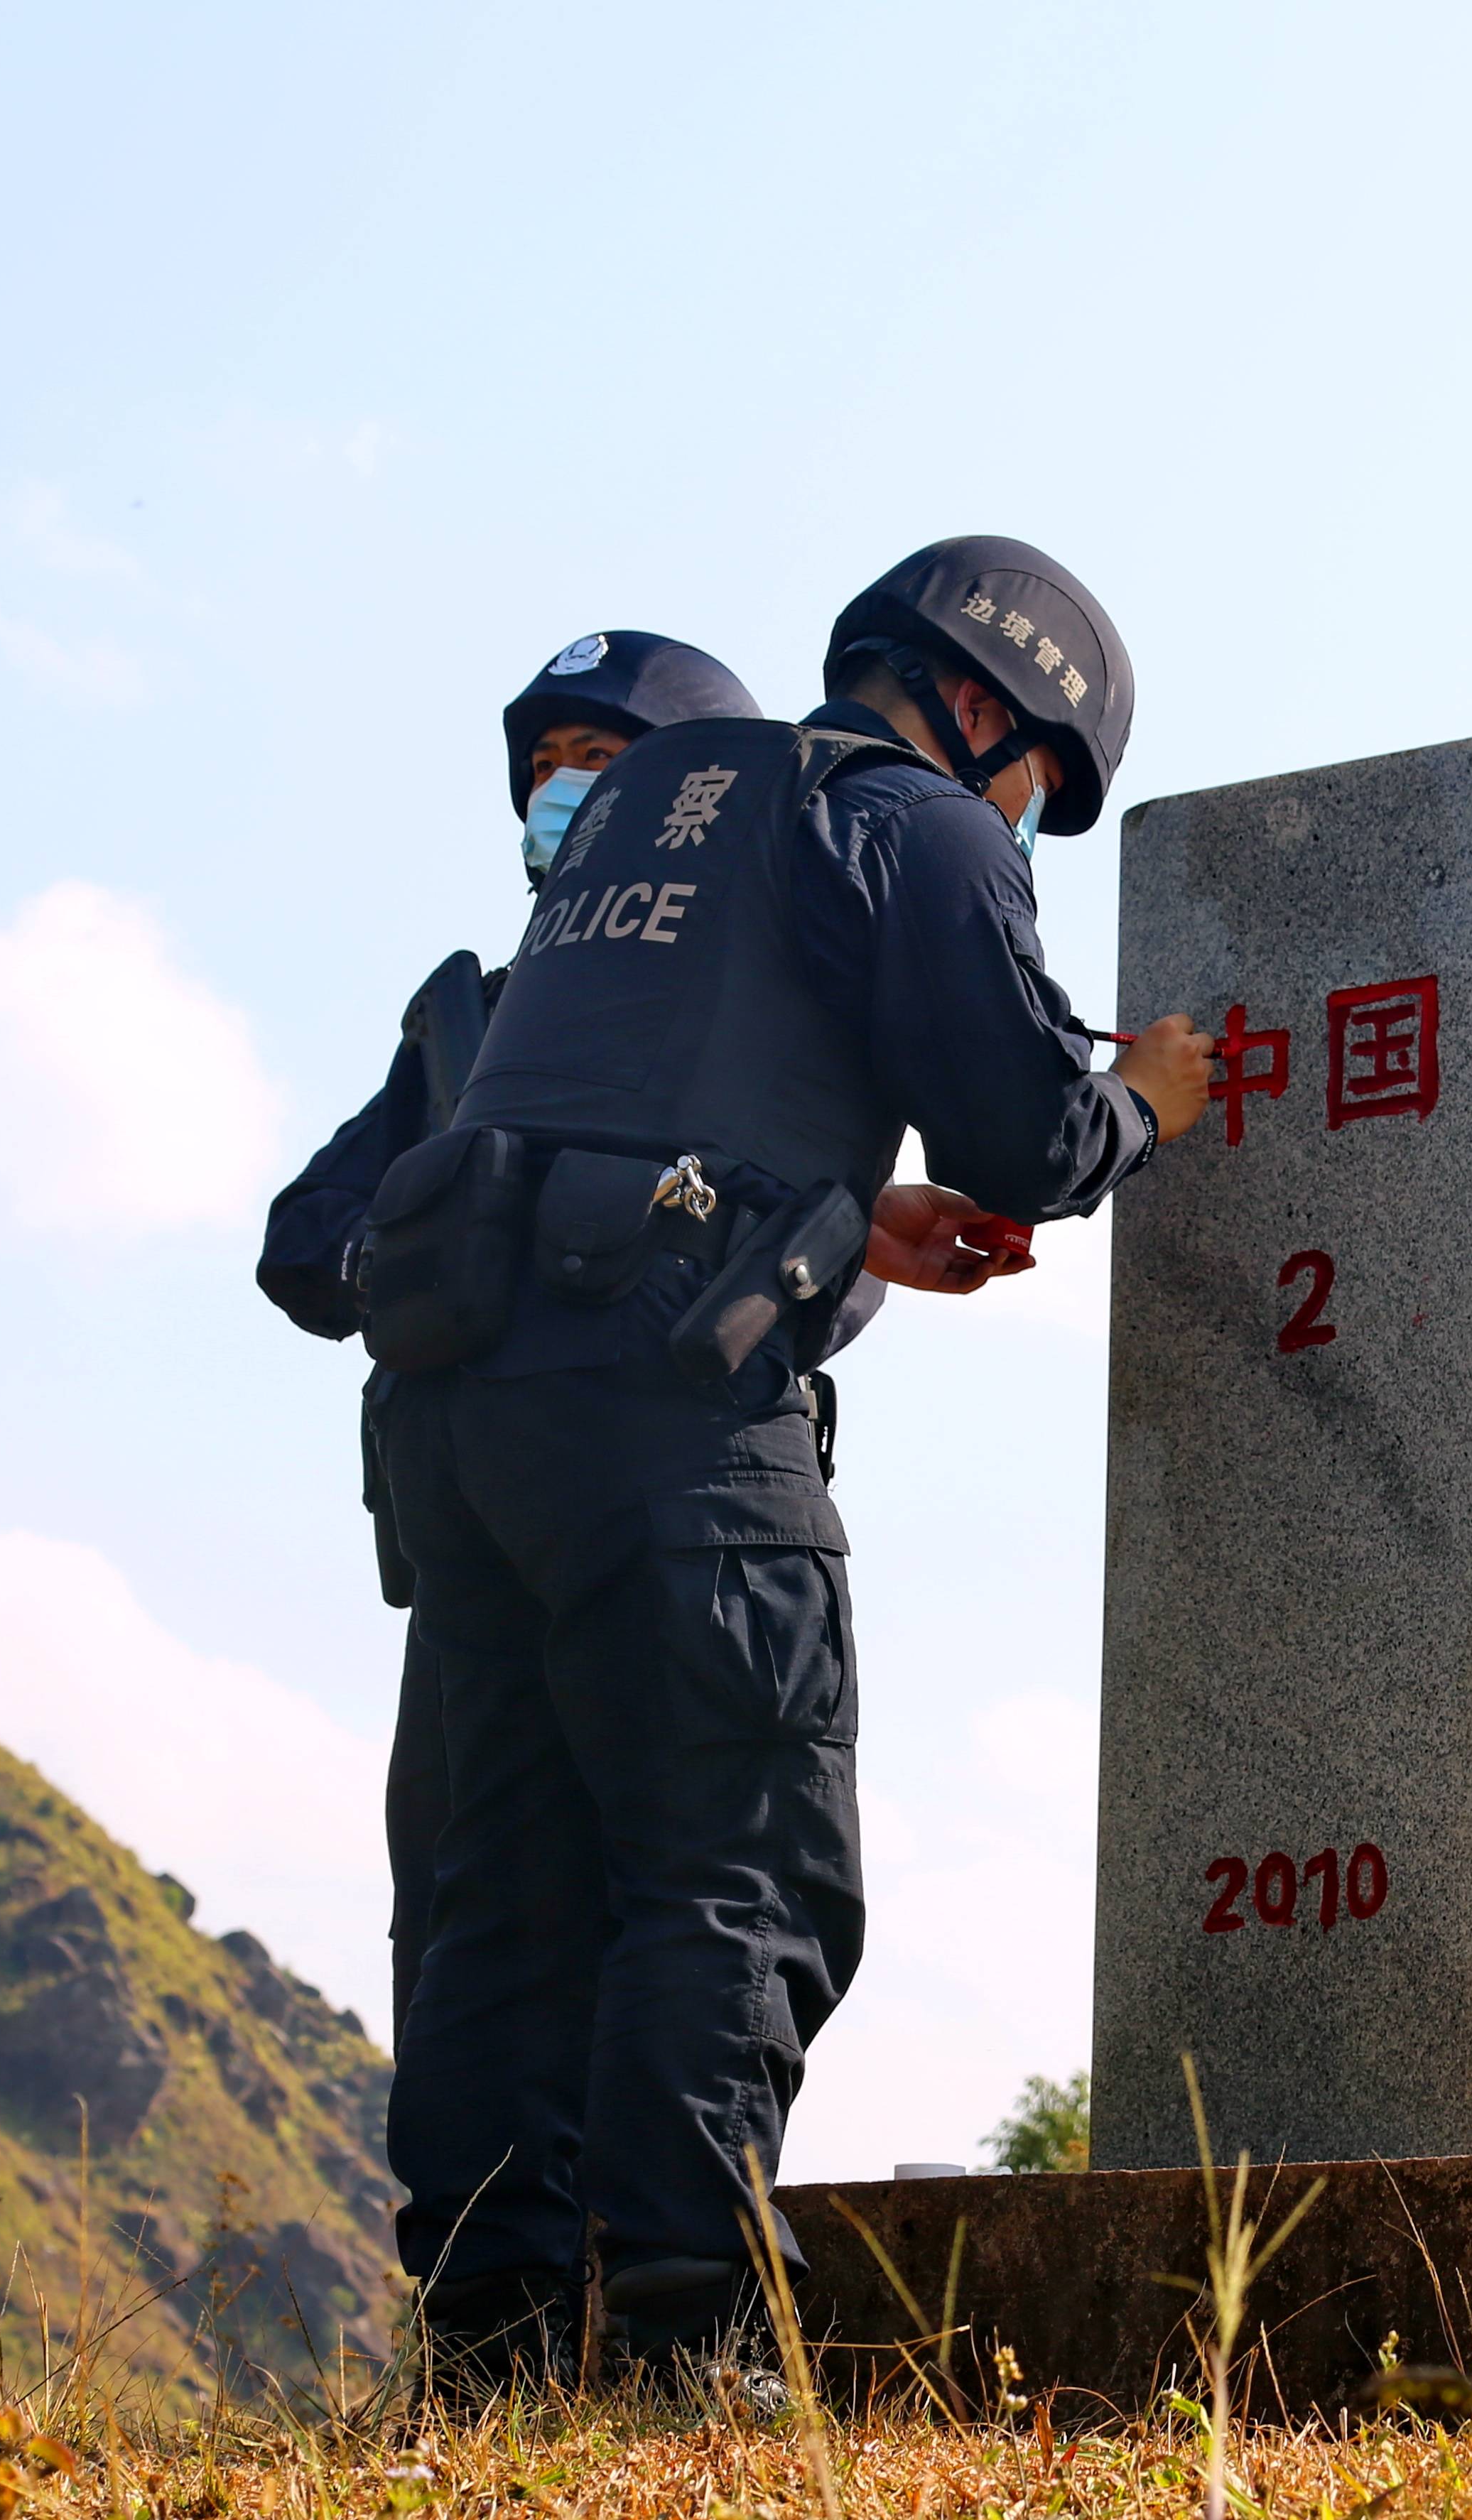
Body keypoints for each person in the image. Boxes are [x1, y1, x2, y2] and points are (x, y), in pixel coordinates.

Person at [365, 537, 1211, 2384]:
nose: (1018, 820)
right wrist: (1148, 1095)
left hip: (464, 1409)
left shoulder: (663, 790)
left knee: (502, 1887)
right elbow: (1025, 1127)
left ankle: (490, 2359)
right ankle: (676, 2347)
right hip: (669, 1403)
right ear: (987, 704)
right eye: (1036, 788)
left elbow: (665, 1064)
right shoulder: (916, 821)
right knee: (740, 1861)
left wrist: (847, 1209)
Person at [257, 630, 767, 2046]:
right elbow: (305, 1234)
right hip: (477, 1540)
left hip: (672, 1522)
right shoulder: (470, 1016)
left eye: (600, 764)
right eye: (543, 768)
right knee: (466, 1914)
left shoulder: (752, 986)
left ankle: (664, 2261)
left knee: (681, 1916)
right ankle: (494, 2270)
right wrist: (439, 1257)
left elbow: (820, 1256)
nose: (561, 791)